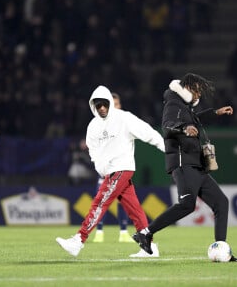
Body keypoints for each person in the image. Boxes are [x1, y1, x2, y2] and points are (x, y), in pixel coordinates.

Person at [133, 73, 237, 262]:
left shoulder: (184, 107)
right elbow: (167, 127)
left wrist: (215, 113)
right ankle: (146, 233)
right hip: (183, 164)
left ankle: (221, 249)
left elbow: (195, 119)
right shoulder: (174, 103)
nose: (199, 94)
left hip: (195, 165)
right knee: (187, 205)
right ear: (187, 88)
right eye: (197, 90)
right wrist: (183, 129)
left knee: (221, 202)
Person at [56, 85, 165, 258]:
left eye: (104, 104)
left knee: (99, 202)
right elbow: (93, 151)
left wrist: (167, 148)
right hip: (110, 172)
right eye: (98, 105)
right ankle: (149, 247)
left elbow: (148, 133)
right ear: (93, 106)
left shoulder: (124, 118)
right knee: (134, 208)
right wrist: (101, 168)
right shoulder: (92, 126)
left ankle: (79, 240)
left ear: (109, 103)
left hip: (122, 168)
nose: (102, 108)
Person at [93, 92, 134, 243]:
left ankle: (123, 232)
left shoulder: (124, 124)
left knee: (122, 199)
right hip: (106, 169)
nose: (115, 108)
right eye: (113, 105)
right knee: (101, 199)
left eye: (117, 105)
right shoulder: (99, 124)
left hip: (121, 167)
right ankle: (99, 232)